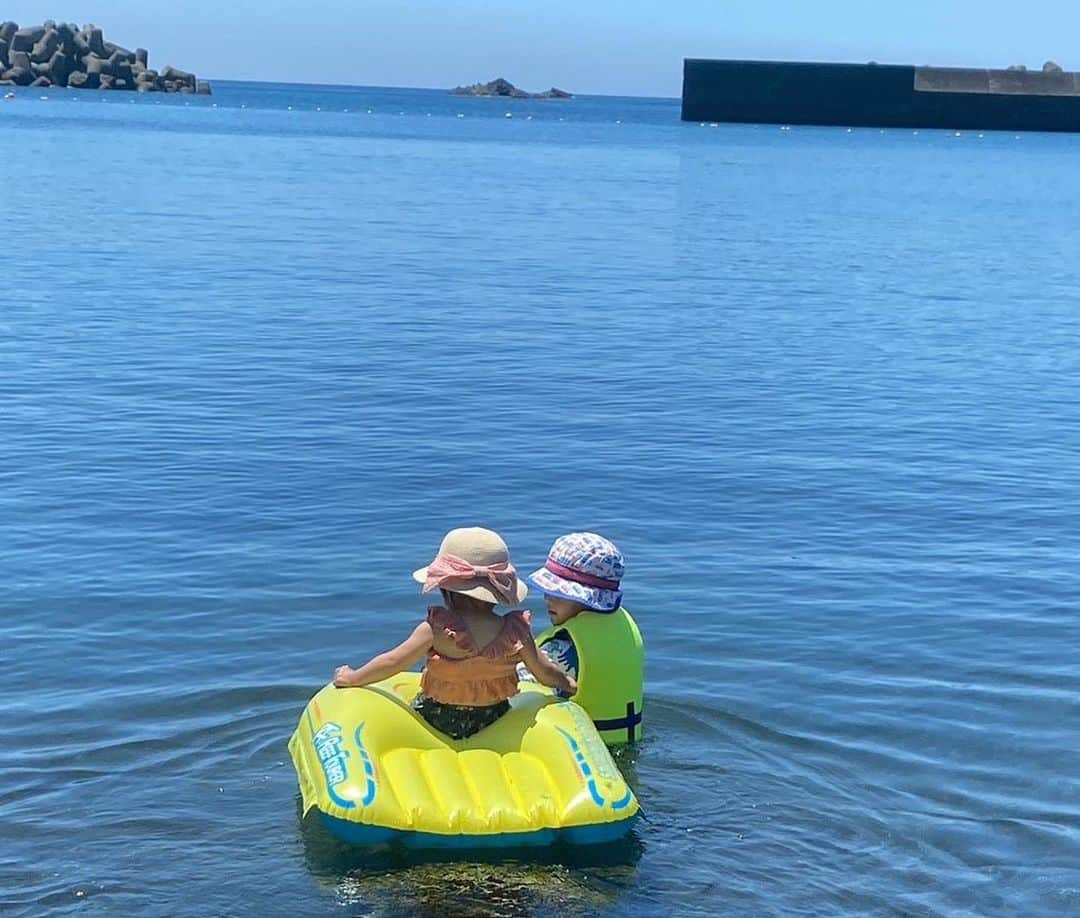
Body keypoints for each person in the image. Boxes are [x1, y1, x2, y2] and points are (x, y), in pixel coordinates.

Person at [332, 527, 576, 740]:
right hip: (494, 718)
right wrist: (567, 683)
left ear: (446, 590)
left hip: (438, 718)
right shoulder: (516, 631)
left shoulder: (437, 629)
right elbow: (543, 672)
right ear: (498, 593)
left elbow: (393, 661)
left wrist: (353, 678)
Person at [519, 532, 644, 744]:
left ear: (585, 597)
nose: (547, 597)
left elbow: (512, 689)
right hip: (629, 742)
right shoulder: (623, 622)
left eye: (559, 592)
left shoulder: (562, 648)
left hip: (586, 753)